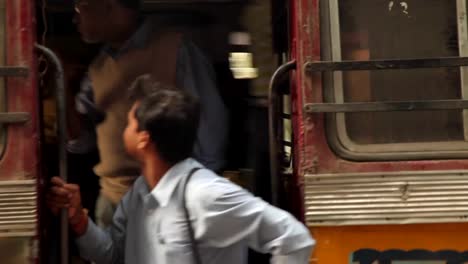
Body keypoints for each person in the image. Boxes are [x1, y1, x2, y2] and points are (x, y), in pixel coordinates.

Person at [47, 78, 314, 263]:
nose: (121, 130)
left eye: (129, 123)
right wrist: (79, 220)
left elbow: (292, 238)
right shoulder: (141, 192)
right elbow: (112, 254)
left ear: (144, 138)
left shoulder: (207, 195)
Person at [69, 0, 228, 228]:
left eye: (80, 8)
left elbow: (210, 135)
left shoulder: (175, 49)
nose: (75, 18)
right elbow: (80, 143)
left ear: (107, 6)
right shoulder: (98, 67)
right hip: (112, 202)